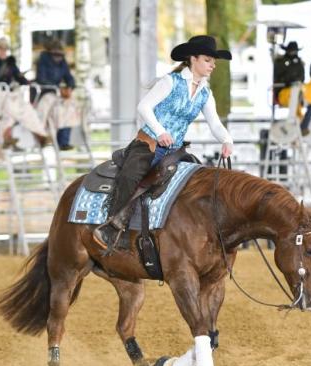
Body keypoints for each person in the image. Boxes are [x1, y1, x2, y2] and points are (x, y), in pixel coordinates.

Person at [93, 35, 234, 250]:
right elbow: (144, 107)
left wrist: (226, 139)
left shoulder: (205, 93)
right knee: (131, 176)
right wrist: (159, 132)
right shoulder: (170, 81)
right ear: (192, 59)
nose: (212, 65)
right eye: (208, 60)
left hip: (174, 150)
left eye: (213, 61)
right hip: (148, 143)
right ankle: (111, 225)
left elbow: (214, 123)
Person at [35, 40, 78, 150]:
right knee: (47, 106)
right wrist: (58, 88)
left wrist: (70, 86)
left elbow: (69, 77)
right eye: (56, 54)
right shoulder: (43, 61)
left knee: (70, 106)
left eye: (60, 55)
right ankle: (41, 133)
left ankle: (63, 141)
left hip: (57, 93)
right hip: (45, 92)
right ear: (50, 53)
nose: (58, 57)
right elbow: (41, 79)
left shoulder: (62, 62)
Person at [273, 41, 305, 105]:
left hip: (296, 90)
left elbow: (302, 77)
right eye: (291, 50)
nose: (293, 52)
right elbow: (277, 77)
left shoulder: (299, 63)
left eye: (294, 51)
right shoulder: (280, 62)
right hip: (283, 91)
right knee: (295, 94)